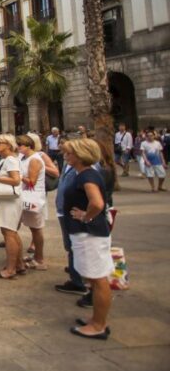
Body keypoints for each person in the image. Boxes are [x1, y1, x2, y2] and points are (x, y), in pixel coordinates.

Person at [63, 138, 114, 339]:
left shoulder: (87, 176)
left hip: (90, 234)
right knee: (94, 278)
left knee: (98, 278)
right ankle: (96, 319)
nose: (66, 156)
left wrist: (86, 216)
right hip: (87, 233)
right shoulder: (84, 173)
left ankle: (99, 325)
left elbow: (98, 203)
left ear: (81, 155)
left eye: (70, 153)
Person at [0, 134, 23, 279]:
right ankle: (19, 264)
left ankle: (10, 269)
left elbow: (16, 180)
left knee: (9, 234)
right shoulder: (6, 160)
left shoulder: (11, 161)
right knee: (11, 233)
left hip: (10, 202)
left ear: (8, 145)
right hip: (5, 200)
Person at [18, 134, 48, 271]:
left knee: (36, 228)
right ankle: (36, 256)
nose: (18, 148)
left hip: (34, 197)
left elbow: (31, 182)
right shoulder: (25, 158)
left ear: (28, 146)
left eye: (20, 146)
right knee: (33, 228)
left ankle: (40, 259)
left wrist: (18, 177)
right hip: (28, 196)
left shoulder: (35, 159)